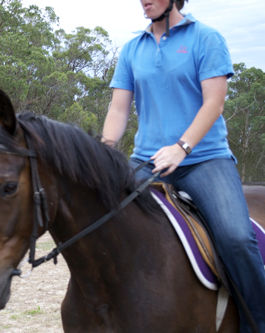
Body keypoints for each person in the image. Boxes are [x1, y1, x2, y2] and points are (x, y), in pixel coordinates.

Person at [102, 0, 265, 331]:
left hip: (204, 160)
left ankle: (259, 321)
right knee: (101, 219)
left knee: (235, 237)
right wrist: (103, 151)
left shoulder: (206, 38)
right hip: (148, 161)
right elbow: (119, 110)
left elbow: (214, 102)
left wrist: (182, 147)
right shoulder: (133, 49)